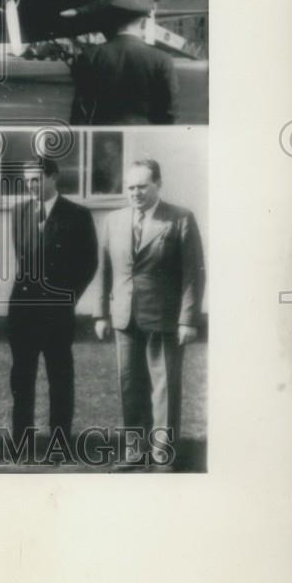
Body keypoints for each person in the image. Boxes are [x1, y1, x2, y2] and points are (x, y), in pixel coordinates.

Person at [93, 158, 205, 467]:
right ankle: (134, 450)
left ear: (158, 184)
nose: (136, 193)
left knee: (164, 386)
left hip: (164, 318)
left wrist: (187, 319)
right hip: (124, 316)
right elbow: (106, 270)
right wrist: (101, 314)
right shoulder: (113, 221)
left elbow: (193, 274)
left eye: (142, 186)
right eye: (130, 187)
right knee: (129, 385)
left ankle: (162, 452)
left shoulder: (179, 218)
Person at [9, 157, 98, 446]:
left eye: (36, 179)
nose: (31, 185)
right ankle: (21, 441)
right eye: (27, 180)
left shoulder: (77, 215)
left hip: (57, 313)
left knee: (59, 379)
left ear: (52, 177)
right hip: (23, 311)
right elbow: (23, 259)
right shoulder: (19, 212)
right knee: (21, 379)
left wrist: (65, 299)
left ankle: (59, 442)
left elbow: (89, 264)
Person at [70, 0, 179, 125]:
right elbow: (169, 113)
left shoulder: (90, 56)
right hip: (146, 139)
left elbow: (80, 112)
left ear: (113, 20)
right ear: (144, 22)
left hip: (103, 139)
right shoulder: (162, 59)